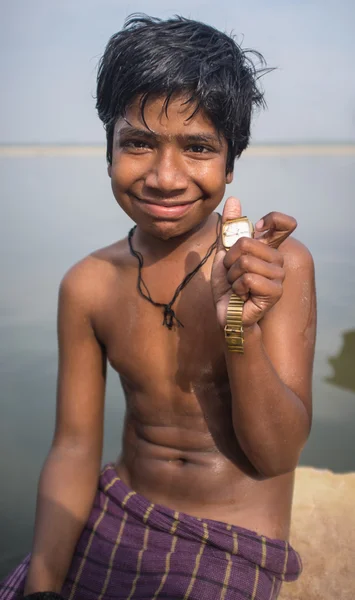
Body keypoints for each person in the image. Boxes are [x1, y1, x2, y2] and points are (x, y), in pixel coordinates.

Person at [0, 14, 316, 600]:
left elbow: (275, 456)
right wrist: (43, 584)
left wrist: (238, 330)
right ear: (109, 149)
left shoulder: (273, 264)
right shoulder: (88, 284)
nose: (165, 177)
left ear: (230, 161)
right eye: (138, 143)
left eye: (198, 148)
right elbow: (73, 447)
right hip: (119, 509)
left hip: (229, 536)